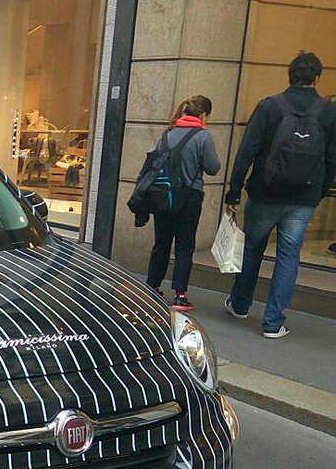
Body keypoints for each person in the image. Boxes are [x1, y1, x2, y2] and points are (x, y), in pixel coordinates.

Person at [224, 50, 336, 338]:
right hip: (303, 197)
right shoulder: (329, 112)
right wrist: (319, 192)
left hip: (265, 192)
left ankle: (240, 304)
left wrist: (234, 191)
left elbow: (247, 150)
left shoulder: (269, 106)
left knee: (252, 249)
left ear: (290, 75)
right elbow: (332, 158)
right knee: (288, 256)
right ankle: (273, 322)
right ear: (317, 78)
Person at [144, 95, 221, 311]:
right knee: (184, 246)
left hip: (164, 195)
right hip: (189, 197)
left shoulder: (167, 134)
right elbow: (213, 167)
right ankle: (179, 295)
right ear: (203, 115)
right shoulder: (203, 136)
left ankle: (152, 286)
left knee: (161, 243)